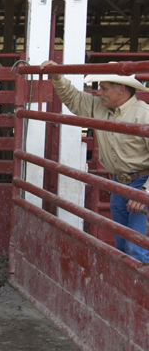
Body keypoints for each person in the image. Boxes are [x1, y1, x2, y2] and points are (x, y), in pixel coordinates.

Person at [40, 60, 149, 263]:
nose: (99, 93)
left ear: (121, 89)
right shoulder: (101, 107)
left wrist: (145, 191)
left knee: (135, 246)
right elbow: (74, 99)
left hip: (141, 182)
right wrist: (57, 77)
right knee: (124, 243)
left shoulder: (144, 114)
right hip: (120, 182)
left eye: (104, 88)